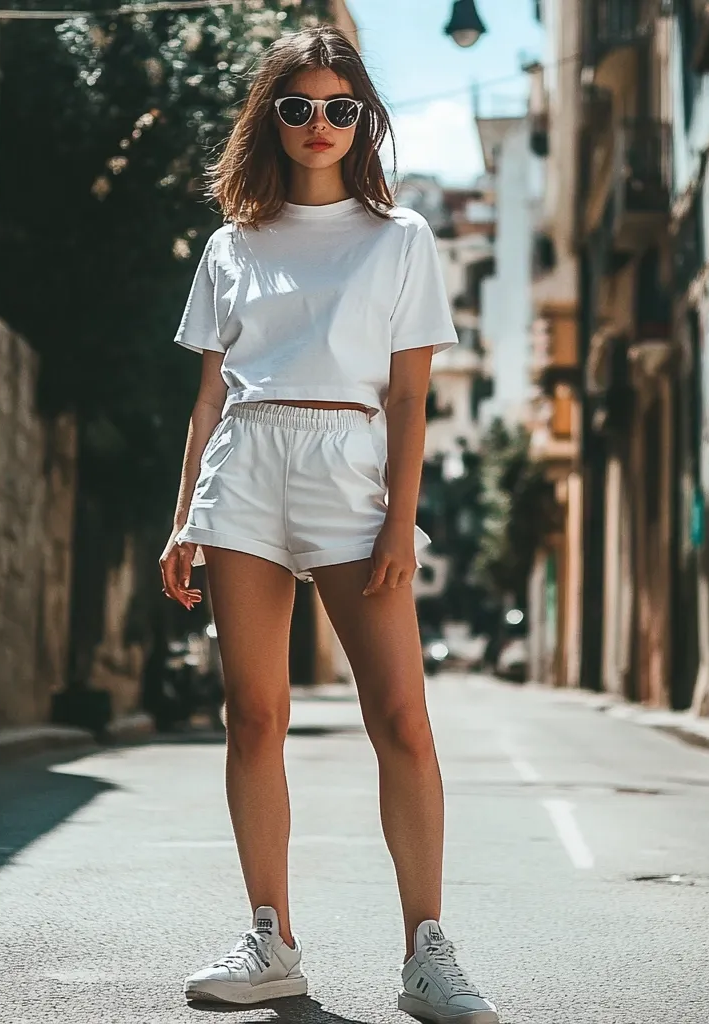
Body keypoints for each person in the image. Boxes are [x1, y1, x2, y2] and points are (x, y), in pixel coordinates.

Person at [159, 25, 499, 1024]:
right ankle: (271, 938)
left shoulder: (401, 241)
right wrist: (182, 520)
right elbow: (211, 397)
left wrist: (403, 520)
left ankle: (426, 950)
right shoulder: (231, 242)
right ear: (271, 118)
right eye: (297, 106)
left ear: (364, 122)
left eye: (338, 108)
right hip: (246, 474)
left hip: (352, 477)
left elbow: (407, 397)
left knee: (400, 715)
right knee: (253, 715)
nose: (318, 124)